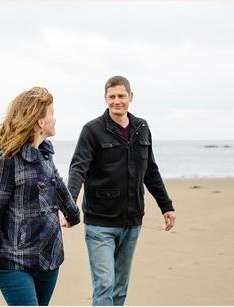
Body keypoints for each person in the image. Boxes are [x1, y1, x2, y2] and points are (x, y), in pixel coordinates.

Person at [66, 75, 176, 306]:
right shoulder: (92, 130)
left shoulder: (142, 128)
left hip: (132, 221)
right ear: (105, 98)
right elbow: (78, 168)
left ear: (131, 97)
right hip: (99, 224)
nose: (117, 101)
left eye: (121, 96)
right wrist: (69, 204)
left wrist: (166, 206)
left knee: (120, 289)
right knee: (104, 284)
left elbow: (151, 171)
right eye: (112, 96)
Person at [0, 86, 81, 306]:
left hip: (49, 257)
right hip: (15, 261)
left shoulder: (45, 153)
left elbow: (58, 185)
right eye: (51, 113)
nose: (55, 118)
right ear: (40, 121)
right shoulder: (7, 159)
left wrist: (72, 214)